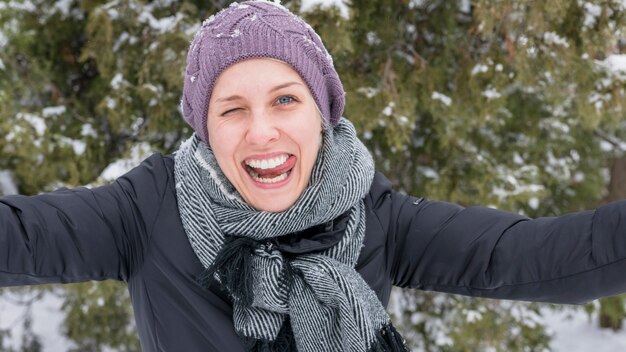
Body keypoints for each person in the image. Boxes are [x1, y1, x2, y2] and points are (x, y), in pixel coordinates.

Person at [2, 1, 626, 351]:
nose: (262, 131)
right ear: (205, 128)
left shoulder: (374, 214)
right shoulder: (147, 210)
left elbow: (535, 258)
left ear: (322, 114)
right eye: (232, 109)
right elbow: (22, 239)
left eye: (284, 100)